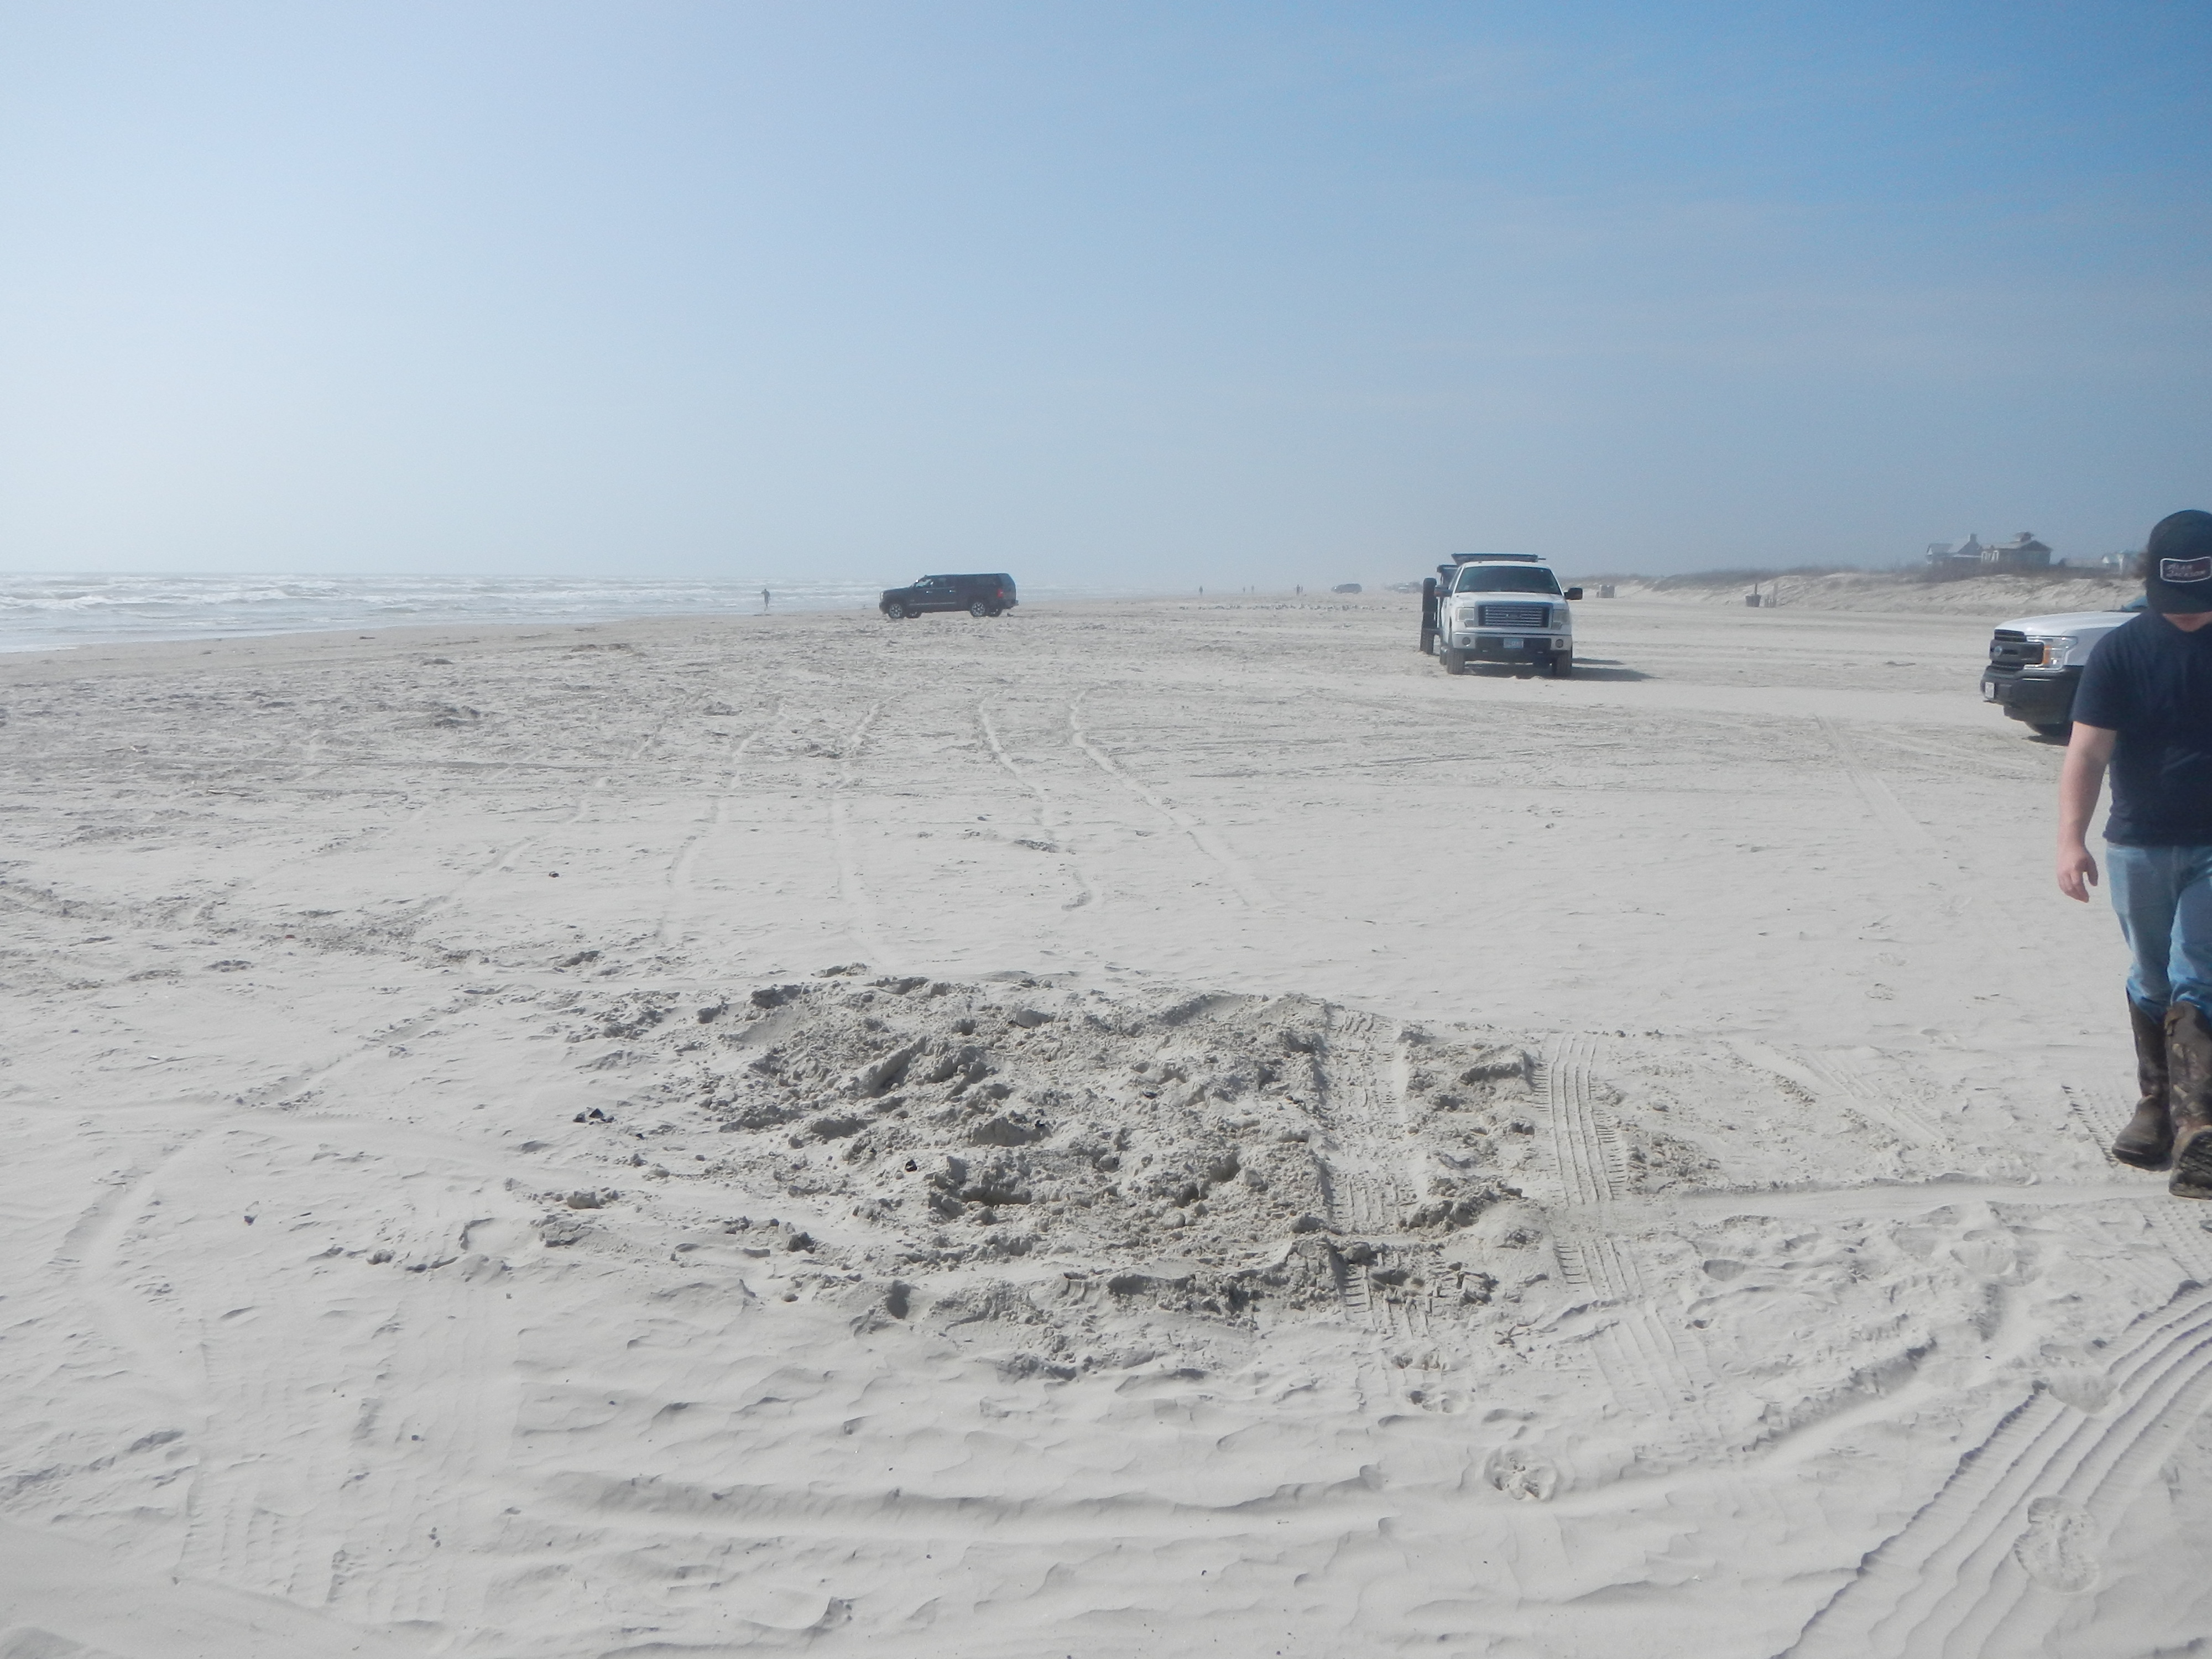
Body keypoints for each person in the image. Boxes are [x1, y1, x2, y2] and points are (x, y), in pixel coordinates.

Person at [2058, 509, 2212, 1197]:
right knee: (2150, 977)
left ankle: (2197, 1126)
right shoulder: (2120, 651)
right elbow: (2087, 751)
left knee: (2196, 971)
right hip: (2138, 842)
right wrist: (2070, 839)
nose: (2186, 615)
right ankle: (2155, 1105)